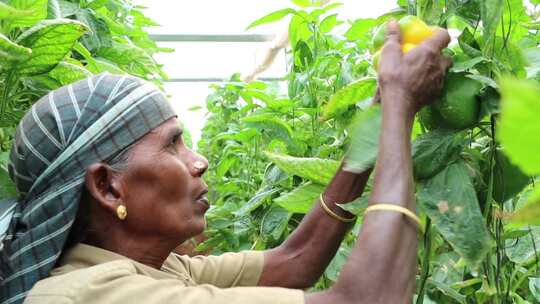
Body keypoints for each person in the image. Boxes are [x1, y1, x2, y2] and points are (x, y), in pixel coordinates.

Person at [0, 21, 451, 304]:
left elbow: (293, 262)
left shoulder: (157, 266)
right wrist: (399, 104)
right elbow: (368, 299)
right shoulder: (91, 295)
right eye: (173, 144)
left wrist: (376, 121)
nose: (198, 162)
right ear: (108, 187)